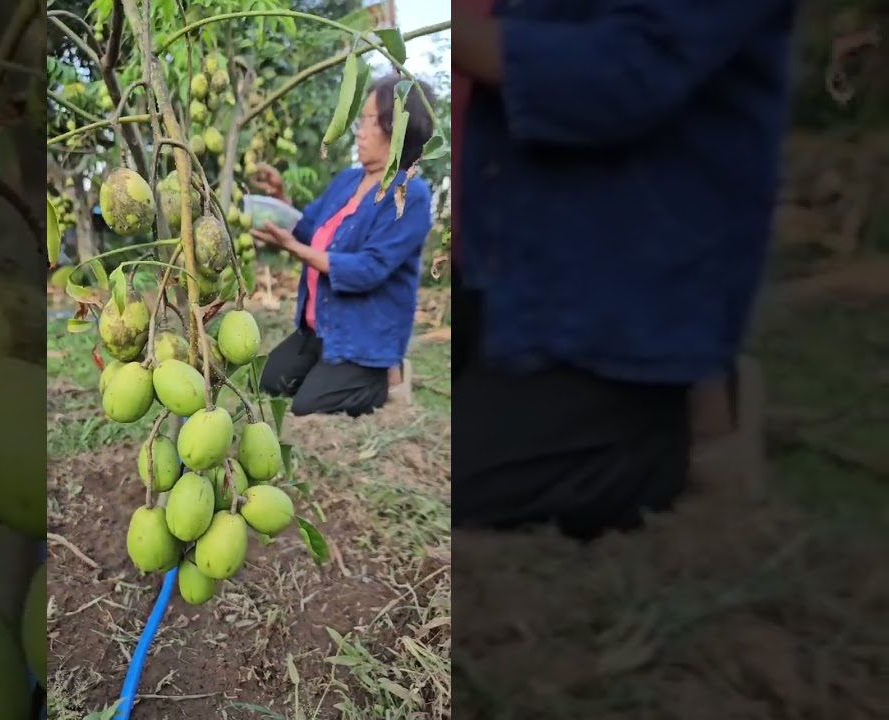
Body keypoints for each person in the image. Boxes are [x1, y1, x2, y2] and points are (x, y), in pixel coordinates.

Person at [451, 2, 797, 540]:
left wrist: (449, 35)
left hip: (619, 301)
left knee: (458, 488)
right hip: (507, 265)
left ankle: (676, 435)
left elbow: (626, 73)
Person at [249, 74, 436, 417]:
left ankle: (385, 378)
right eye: (361, 121)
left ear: (397, 129)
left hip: (362, 337)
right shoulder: (347, 181)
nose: (359, 132)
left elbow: (368, 269)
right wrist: (280, 200)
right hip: (321, 328)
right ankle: (326, 369)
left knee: (308, 406)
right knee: (267, 381)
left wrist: (294, 249)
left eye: (370, 121)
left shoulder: (409, 195)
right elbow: (309, 229)